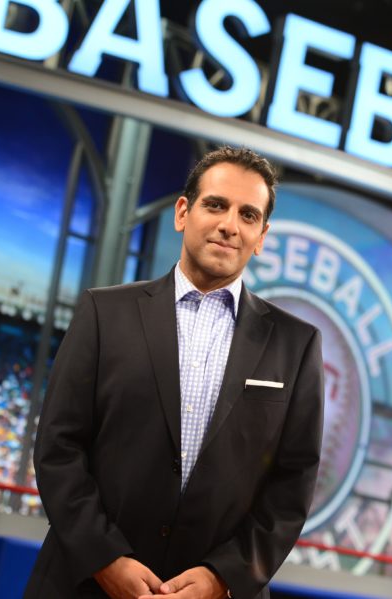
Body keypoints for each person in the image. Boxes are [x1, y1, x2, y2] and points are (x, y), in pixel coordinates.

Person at [23, 146, 324, 599]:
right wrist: (105, 559)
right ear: (184, 212)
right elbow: (58, 448)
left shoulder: (297, 346)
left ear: (261, 236)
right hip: (84, 583)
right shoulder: (104, 312)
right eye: (216, 205)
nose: (229, 225)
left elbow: (292, 486)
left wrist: (223, 577)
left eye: (247, 215)